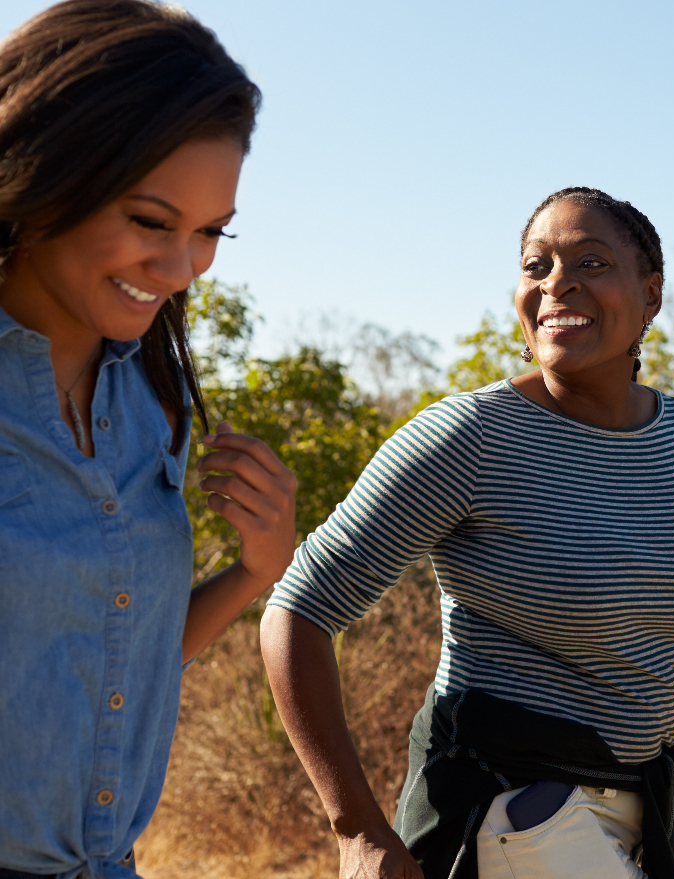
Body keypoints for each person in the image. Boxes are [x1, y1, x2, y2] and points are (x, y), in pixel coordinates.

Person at [261, 187, 674, 879]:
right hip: (506, 816)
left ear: (651, 296)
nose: (559, 282)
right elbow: (299, 608)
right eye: (537, 266)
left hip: (644, 814)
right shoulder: (471, 437)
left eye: (591, 261)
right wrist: (356, 829)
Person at [0, 3, 298, 877]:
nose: (180, 272)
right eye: (149, 219)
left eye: (210, 232)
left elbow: (115, 638)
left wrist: (257, 568)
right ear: (46, 173)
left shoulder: (152, 403)